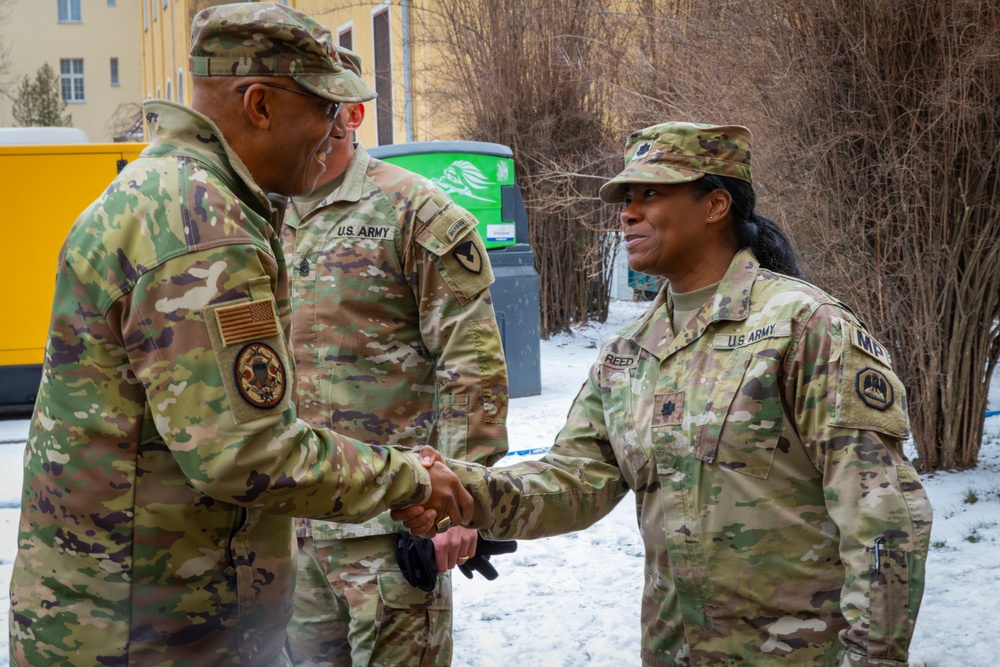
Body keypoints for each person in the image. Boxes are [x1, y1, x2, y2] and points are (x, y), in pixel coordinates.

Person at [8, 5, 470, 666]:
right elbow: (246, 452)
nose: (339, 130)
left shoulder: (172, 194)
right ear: (259, 105)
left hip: (142, 616)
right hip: (149, 635)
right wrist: (409, 478)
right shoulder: (200, 227)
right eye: (327, 109)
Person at [396, 122, 933, 666]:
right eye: (626, 198)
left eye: (651, 194)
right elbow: (573, 480)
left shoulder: (805, 328)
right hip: (674, 650)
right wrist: (461, 491)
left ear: (716, 204)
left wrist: (875, 657)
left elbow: (881, 516)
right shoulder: (627, 354)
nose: (628, 213)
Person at [279, 51, 509, 666]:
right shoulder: (259, 215)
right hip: (286, 531)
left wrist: (464, 505)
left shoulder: (414, 211)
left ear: (352, 114)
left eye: (318, 107)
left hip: (392, 529)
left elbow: (472, 363)